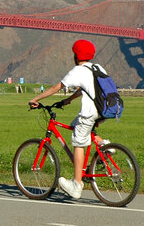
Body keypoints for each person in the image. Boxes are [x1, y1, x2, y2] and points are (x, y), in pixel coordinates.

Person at [28, 39, 109, 200]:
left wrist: (35, 99)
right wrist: (68, 100)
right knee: (76, 125)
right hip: (105, 109)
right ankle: (103, 145)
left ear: (76, 55)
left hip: (90, 112)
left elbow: (56, 88)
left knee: (78, 142)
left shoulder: (78, 70)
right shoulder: (97, 67)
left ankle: (76, 185)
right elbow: (84, 90)